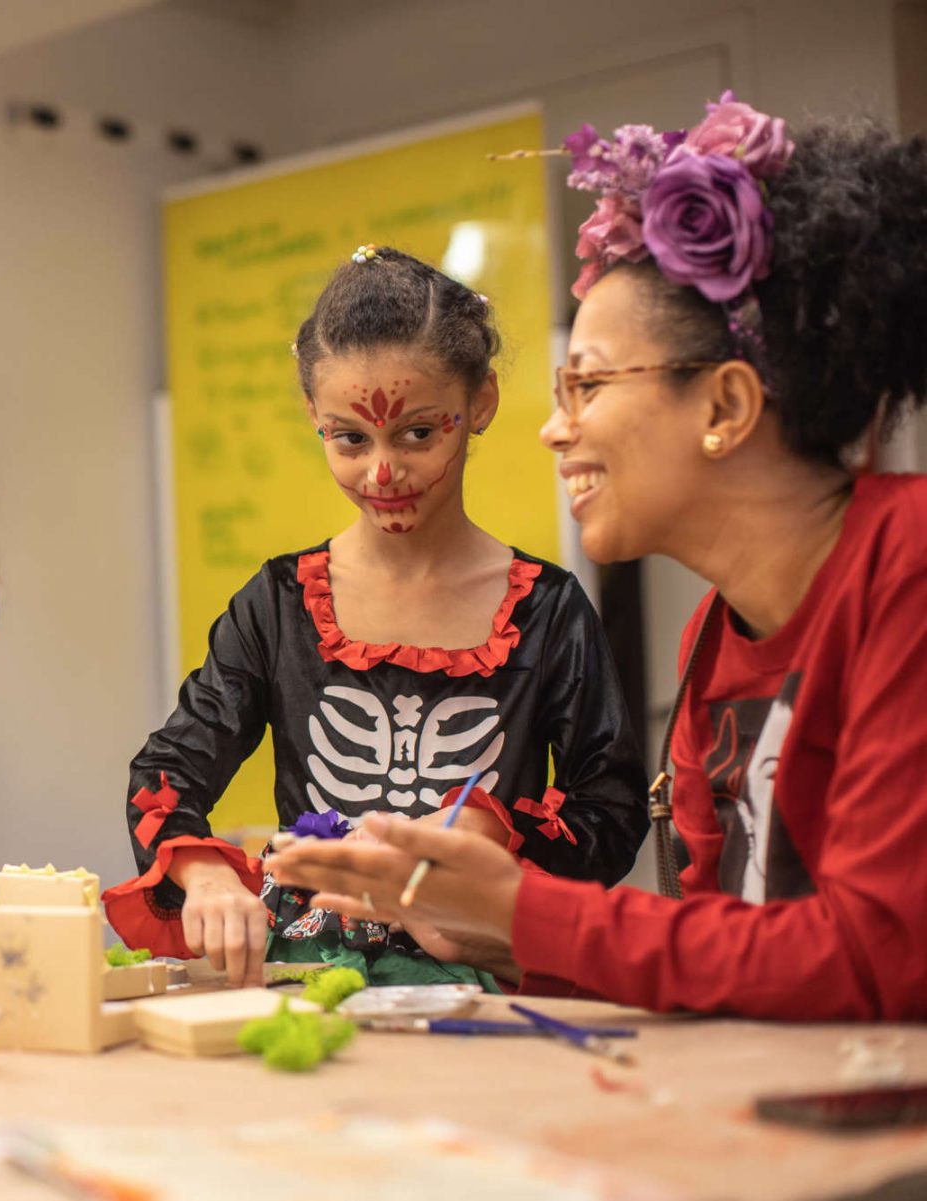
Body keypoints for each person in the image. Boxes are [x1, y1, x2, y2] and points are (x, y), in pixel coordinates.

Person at [269, 102, 927, 1021]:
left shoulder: (908, 567)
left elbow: (874, 957)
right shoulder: (717, 632)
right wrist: (494, 932)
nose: (553, 427)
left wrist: (524, 909)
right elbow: (722, 955)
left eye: (585, 384)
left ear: (725, 407)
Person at [103, 248, 647, 988]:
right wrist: (203, 875)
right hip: (306, 978)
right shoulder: (278, 603)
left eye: (419, 433)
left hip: (483, 973)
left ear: (480, 401)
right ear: (314, 418)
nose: (383, 472)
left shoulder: (549, 612)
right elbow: (166, 771)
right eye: (351, 438)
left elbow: (611, 808)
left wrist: (494, 830)